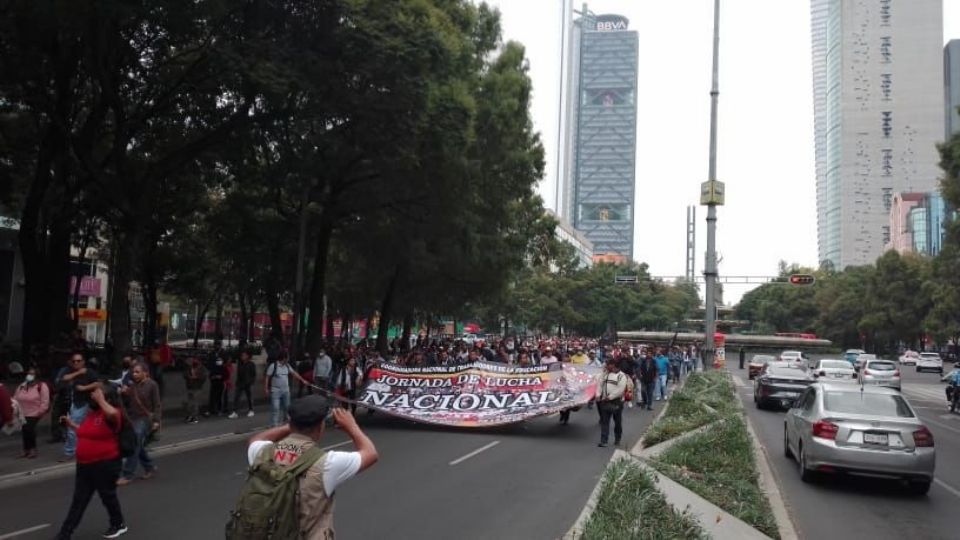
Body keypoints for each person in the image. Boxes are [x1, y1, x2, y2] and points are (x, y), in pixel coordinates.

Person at [242, 396, 378, 538]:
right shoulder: (326, 463)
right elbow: (371, 453)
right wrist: (351, 425)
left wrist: (292, 426)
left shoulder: (262, 452)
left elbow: (256, 439)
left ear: (291, 422)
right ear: (321, 427)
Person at [56, 385, 128, 539]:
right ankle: (64, 534)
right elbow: (86, 432)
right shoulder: (92, 414)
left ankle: (118, 524)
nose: (93, 396)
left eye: (97, 393)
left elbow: (114, 414)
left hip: (105, 464)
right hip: (84, 465)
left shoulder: (112, 414)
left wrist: (101, 400)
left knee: (107, 496)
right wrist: (72, 425)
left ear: (106, 398)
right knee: (79, 500)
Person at [117, 363, 160, 486]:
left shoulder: (152, 385)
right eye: (133, 372)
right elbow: (129, 401)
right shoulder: (132, 385)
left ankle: (127, 474)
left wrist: (156, 421)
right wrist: (123, 393)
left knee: (134, 442)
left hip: (145, 419)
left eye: (137, 372)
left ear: (145, 372)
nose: (134, 374)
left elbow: (157, 404)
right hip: (133, 418)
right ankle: (149, 467)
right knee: (138, 445)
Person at [58, 353, 100, 462]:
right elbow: (64, 378)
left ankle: (70, 452)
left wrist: (84, 388)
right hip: (72, 403)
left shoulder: (89, 372)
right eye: (74, 361)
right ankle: (81, 450)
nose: (76, 363)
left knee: (72, 427)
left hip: (84, 403)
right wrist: (78, 373)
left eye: (79, 360)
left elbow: (98, 383)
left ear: (83, 361)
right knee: (78, 428)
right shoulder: (70, 371)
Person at [265, 352, 309, 427]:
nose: (288, 360)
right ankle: (274, 424)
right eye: (287, 358)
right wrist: (266, 388)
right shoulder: (273, 366)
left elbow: (294, 373)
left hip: (285, 390)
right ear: (284, 358)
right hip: (275, 390)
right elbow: (267, 377)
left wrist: (302, 380)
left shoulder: (287, 366)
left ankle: (286, 422)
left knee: (287, 407)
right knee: (275, 407)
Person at [14, 366, 50, 458]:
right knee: (25, 431)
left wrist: (40, 412)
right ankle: (26, 449)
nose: (29, 375)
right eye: (29, 373)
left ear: (36, 375)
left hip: (34, 412)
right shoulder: (22, 385)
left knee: (29, 429)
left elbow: (45, 401)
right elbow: (15, 397)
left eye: (32, 374)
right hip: (22, 412)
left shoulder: (42, 386)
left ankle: (33, 449)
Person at [596, 358, 628, 447]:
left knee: (617, 421)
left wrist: (610, 397)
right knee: (605, 421)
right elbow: (599, 385)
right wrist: (598, 395)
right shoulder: (605, 374)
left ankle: (617, 438)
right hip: (604, 401)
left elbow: (620, 390)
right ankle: (604, 441)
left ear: (613, 365)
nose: (606, 366)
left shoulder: (622, 376)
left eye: (608, 365)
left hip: (616, 402)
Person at [228, 350, 257, 419]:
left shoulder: (251, 364)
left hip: (248, 383)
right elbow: (239, 374)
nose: (242, 356)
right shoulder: (240, 364)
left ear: (247, 356)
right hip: (240, 383)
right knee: (236, 397)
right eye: (242, 355)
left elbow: (254, 374)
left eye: (244, 355)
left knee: (249, 397)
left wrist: (251, 382)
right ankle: (235, 412)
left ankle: (251, 410)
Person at [182, 357, 207, 424]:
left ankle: (195, 417)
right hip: (190, 387)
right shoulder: (189, 367)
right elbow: (184, 375)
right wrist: (189, 377)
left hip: (197, 387)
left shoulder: (202, 368)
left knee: (195, 403)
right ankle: (190, 416)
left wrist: (197, 377)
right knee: (190, 403)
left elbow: (204, 377)